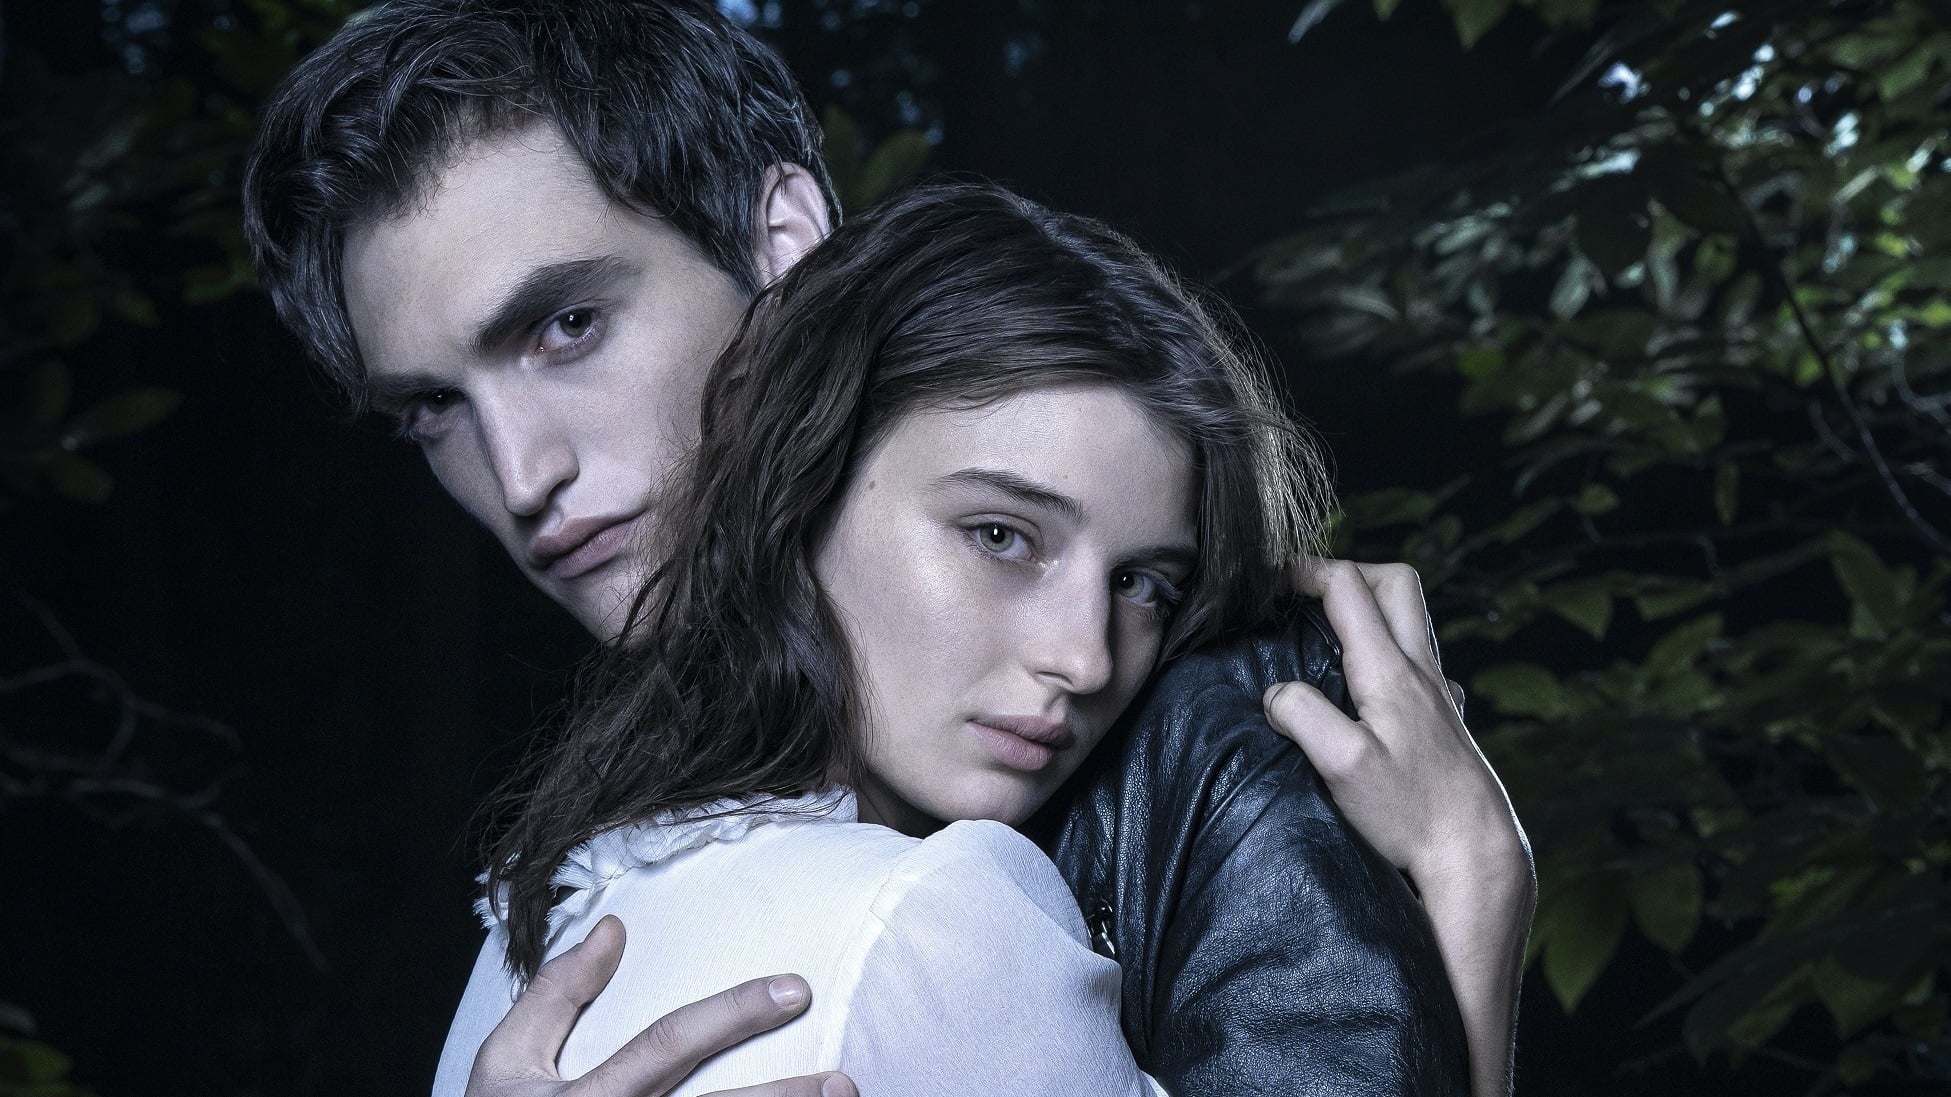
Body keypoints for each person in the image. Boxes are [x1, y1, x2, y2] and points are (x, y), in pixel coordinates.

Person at [240, 2, 1534, 1095]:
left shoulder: (1196, 741)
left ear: (782, 245)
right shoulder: (572, 887)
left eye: (567, 325)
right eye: (433, 406)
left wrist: (1466, 891)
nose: (522, 475)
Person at [432, 180, 1394, 1097]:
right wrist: (1461, 879)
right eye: (1001, 536)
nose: (1086, 659)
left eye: (1142, 583)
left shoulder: (529, 931)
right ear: (804, 486)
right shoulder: (936, 913)